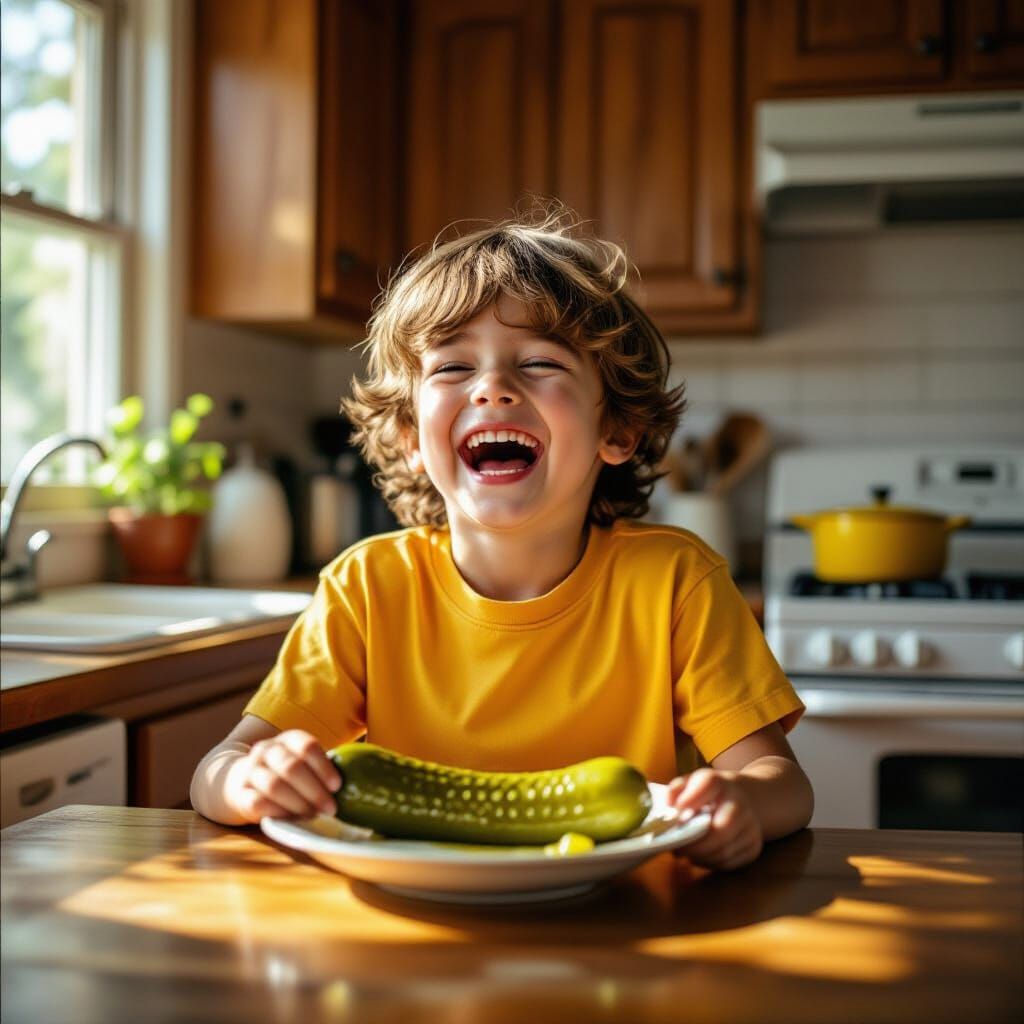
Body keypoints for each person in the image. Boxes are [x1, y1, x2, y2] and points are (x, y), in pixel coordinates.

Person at [190, 205, 813, 870]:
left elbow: (784, 784)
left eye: (540, 362)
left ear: (618, 432)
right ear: (409, 437)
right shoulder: (366, 587)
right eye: (452, 369)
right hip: (407, 932)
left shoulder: (677, 582)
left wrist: (739, 803)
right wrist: (249, 781)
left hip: (631, 923)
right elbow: (215, 771)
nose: (493, 387)